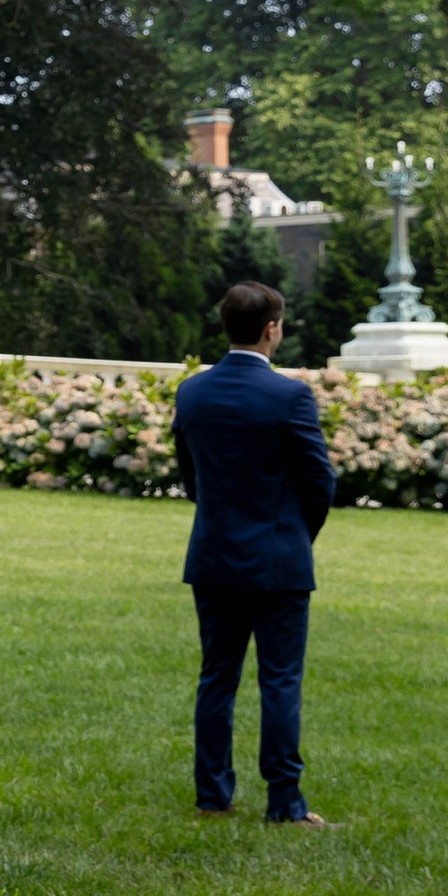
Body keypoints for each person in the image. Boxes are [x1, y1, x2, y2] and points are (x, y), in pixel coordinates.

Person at [171, 278, 337, 827]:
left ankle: (212, 796)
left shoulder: (192, 392)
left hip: (214, 554)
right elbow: (320, 481)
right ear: (272, 329)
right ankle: (285, 802)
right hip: (278, 558)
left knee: (216, 677)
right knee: (280, 681)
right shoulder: (290, 395)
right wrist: (294, 533)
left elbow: (190, 476)